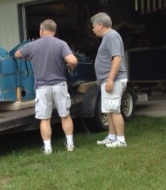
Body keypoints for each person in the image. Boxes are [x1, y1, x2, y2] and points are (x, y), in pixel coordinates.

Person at [14, 19, 78, 155]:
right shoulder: (61, 44)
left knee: (45, 118)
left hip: (42, 87)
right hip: (59, 84)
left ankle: (48, 148)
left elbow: (17, 54)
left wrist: (28, 57)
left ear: (42, 30)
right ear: (54, 31)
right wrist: (70, 67)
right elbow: (73, 60)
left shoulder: (32, 45)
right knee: (65, 115)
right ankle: (70, 144)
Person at [91, 12, 128, 148]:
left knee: (114, 109)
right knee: (109, 109)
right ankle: (112, 137)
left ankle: (121, 140)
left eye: (94, 26)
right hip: (107, 80)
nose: (93, 29)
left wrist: (110, 79)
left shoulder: (111, 36)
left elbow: (117, 58)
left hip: (114, 79)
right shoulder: (108, 37)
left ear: (101, 25)